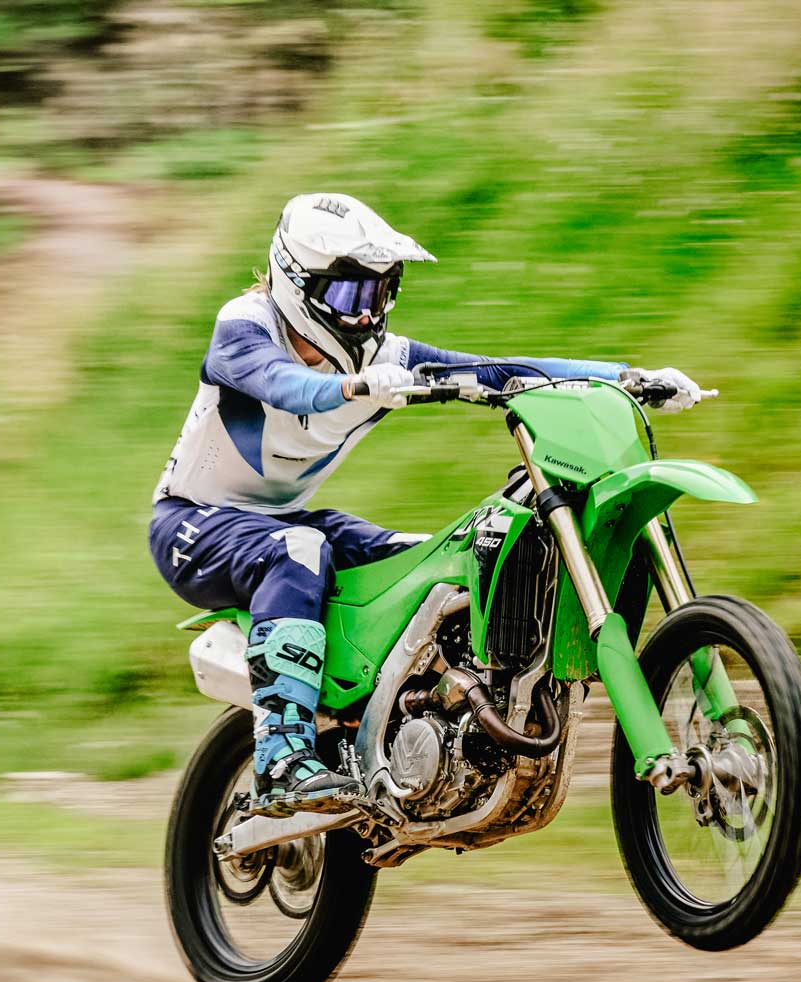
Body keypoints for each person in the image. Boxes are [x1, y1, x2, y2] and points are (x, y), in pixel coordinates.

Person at [149, 193, 706, 817]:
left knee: (433, 561)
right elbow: (280, 383)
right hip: (192, 524)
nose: (367, 315)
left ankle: (403, 730)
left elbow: (500, 372)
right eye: (350, 296)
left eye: (381, 294)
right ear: (295, 281)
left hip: (286, 521)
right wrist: (352, 386)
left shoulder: (383, 359)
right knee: (298, 551)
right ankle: (280, 758)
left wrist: (625, 377)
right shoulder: (246, 325)